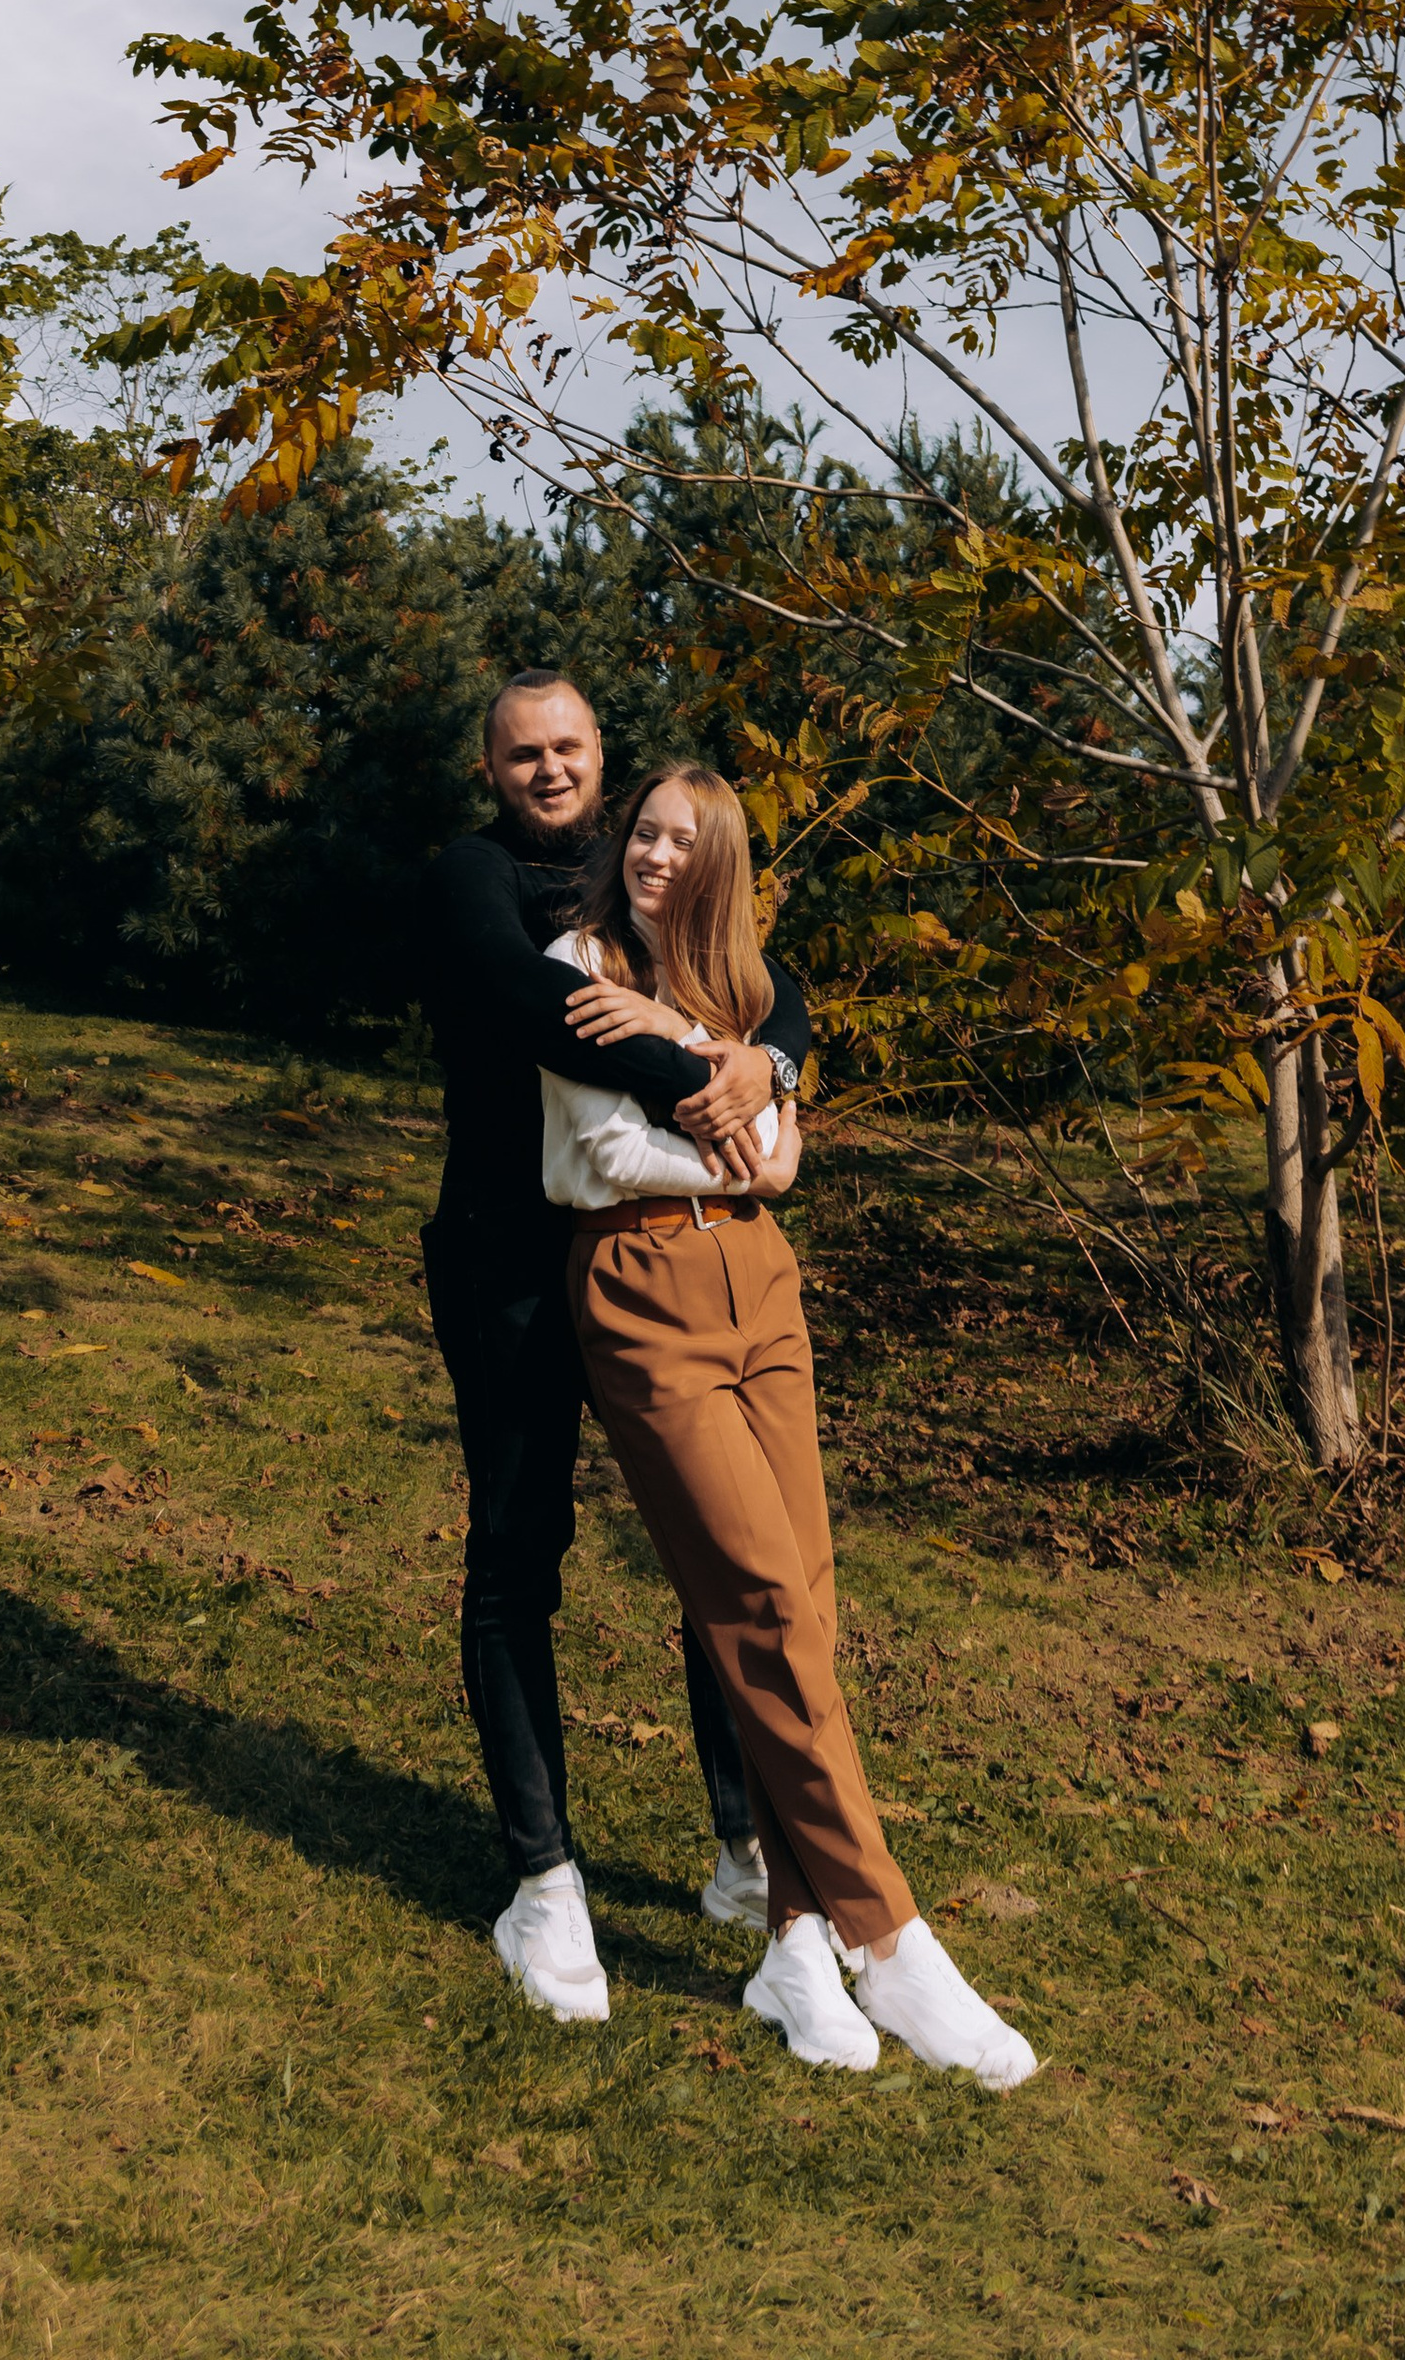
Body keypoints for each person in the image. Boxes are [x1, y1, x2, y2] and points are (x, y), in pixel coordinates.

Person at [542, 761, 1037, 2086]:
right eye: (640, 832)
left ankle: (797, 1939)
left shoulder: (752, 994)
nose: (652, 856)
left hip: (762, 1284)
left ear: (719, 869)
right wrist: (730, 1123)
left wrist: (744, 1081)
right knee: (755, 1598)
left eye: (680, 844)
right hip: (643, 1287)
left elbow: (788, 1162)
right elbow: (599, 1154)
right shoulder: (573, 965)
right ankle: (891, 1934)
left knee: (803, 1603)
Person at [414, 668, 815, 2024]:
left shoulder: (634, 866)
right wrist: (710, 1076)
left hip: (648, 1268)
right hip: (507, 1267)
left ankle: (742, 1852)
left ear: (601, 755)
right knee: (518, 1553)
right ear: (493, 768)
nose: (548, 769)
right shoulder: (470, 879)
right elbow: (534, 1011)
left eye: (568, 747)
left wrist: (780, 1065)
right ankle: (544, 1882)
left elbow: (776, 982)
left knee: (719, 1546)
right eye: (521, 752)